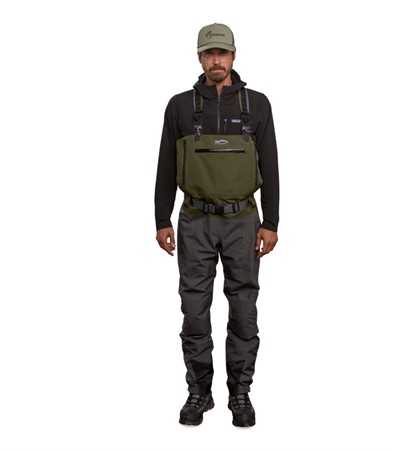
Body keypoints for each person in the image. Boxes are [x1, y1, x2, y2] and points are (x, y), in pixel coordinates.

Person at [155, 23, 280, 427]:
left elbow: (271, 165)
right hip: (194, 221)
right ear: (199, 58)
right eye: (209, 54)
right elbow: (166, 164)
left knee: (243, 310)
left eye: (222, 53)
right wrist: (161, 218)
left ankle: (240, 393)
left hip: (243, 221)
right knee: (194, 310)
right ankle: (199, 392)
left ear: (233, 55)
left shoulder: (257, 105)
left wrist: (271, 221)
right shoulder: (179, 106)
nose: (216, 61)